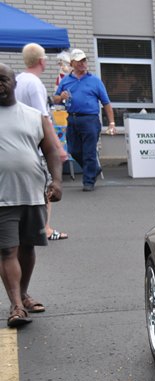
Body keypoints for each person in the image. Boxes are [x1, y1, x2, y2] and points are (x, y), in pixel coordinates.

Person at [0, 62, 64, 327]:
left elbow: (51, 150)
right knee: (7, 250)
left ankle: (23, 294)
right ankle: (16, 305)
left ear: (15, 82)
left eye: (3, 79)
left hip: (32, 193)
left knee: (27, 247)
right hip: (2, 198)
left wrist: (57, 181)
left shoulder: (34, 115)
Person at [16, 43, 67, 240]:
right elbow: (44, 118)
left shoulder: (17, 80)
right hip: (36, 144)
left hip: (19, 142)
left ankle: (23, 225)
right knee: (47, 186)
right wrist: (58, 146)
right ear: (41, 60)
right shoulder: (35, 84)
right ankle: (44, 228)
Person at [53, 49, 115, 192]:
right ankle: (94, 169)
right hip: (72, 118)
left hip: (90, 120)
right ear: (72, 63)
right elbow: (55, 99)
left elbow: (106, 103)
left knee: (89, 152)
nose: (83, 64)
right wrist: (61, 96)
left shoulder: (95, 81)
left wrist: (111, 123)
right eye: (79, 61)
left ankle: (88, 181)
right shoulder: (66, 80)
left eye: (84, 60)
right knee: (74, 151)